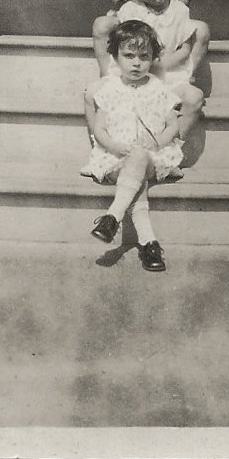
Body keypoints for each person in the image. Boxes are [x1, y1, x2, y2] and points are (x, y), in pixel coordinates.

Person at [80, 20, 184, 272]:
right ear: (115, 57)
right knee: (136, 183)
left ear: (153, 59)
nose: (136, 63)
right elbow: (99, 129)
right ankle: (149, 244)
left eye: (144, 56)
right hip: (116, 156)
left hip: (152, 157)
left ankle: (112, 217)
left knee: (139, 157)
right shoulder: (110, 89)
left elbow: (173, 126)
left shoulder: (158, 88)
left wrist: (157, 141)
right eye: (128, 55)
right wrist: (115, 146)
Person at [85, 0, 208, 142]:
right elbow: (121, 45)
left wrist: (163, 64)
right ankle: (101, 149)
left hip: (166, 78)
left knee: (194, 97)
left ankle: (170, 150)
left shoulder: (180, 11)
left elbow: (185, 48)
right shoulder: (131, 10)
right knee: (92, 93)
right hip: (133, 76)